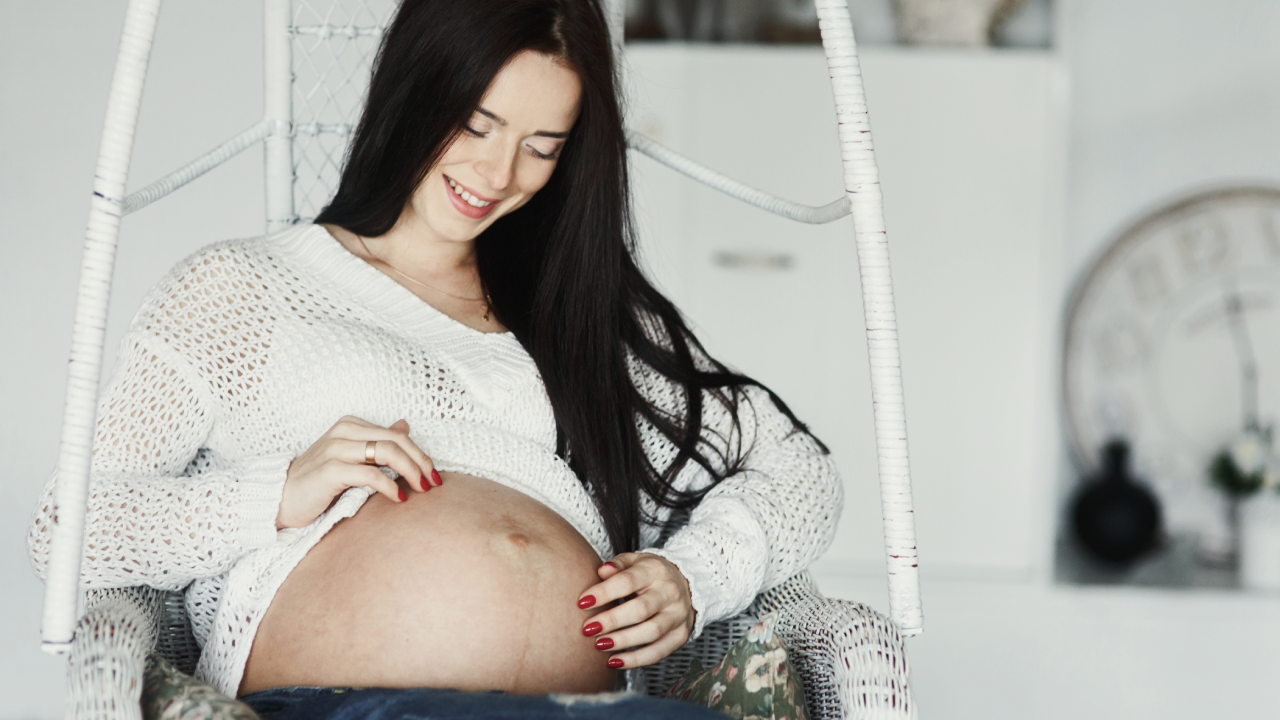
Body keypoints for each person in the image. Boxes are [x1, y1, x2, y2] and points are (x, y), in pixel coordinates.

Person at [27, 0, 843, 717]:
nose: (497, 174)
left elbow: (801, 473)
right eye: (478, 124)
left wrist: (696, 577)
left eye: (541, 146)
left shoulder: (575, 318)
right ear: (418, 87)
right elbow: (64, 530)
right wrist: (276, 495)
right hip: (340, 707)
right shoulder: (242, 287)